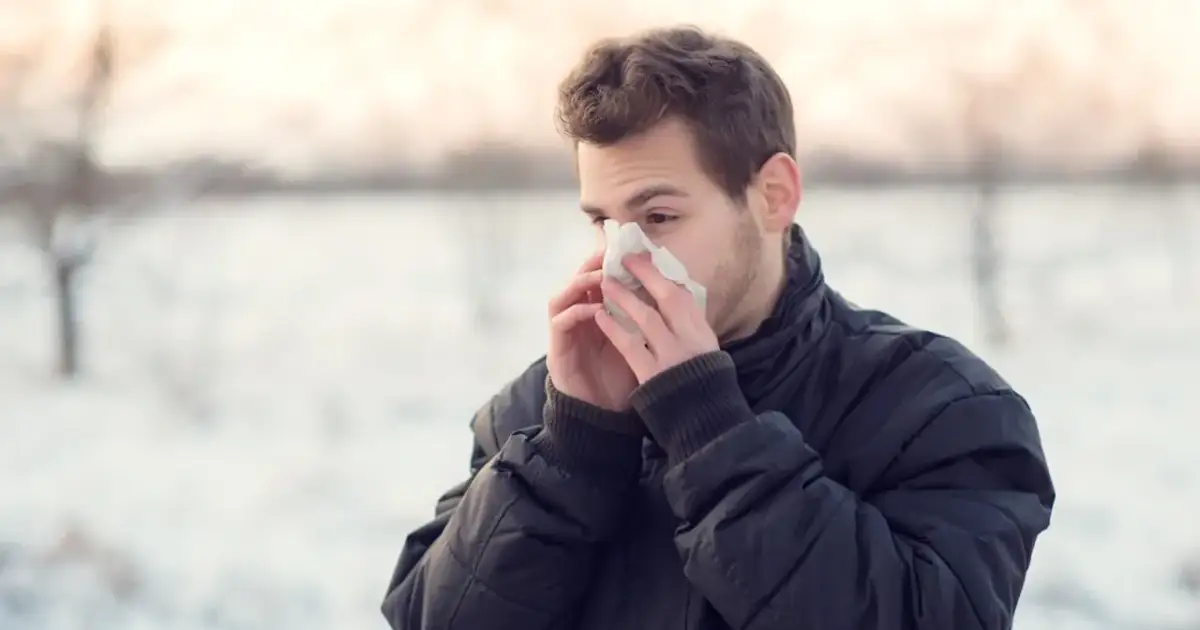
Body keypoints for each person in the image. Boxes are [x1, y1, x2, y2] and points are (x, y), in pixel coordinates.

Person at [382, 25, 1055, 630]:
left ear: (773, 196)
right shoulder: (539, 408)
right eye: (601, 221)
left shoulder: (939, 410)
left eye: (659, 217)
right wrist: (569, 455)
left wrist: (708, 430)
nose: (621, 257)